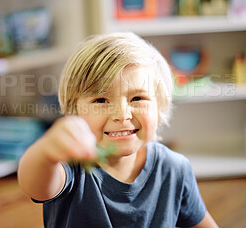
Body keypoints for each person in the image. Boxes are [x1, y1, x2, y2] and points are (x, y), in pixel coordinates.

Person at [18, 32, 218, 227]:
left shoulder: (175, 169)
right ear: (74, 112)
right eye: (101, 100)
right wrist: (46, 152)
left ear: (160, 107)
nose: (122, 115)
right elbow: (34, 185)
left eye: (137, 98)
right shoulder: (69, 167)